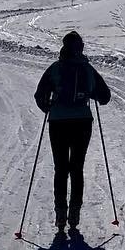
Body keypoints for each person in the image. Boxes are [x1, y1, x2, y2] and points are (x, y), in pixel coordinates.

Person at [34, 31, 111, 238]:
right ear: (81, 48)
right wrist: (89, 94)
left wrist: (48, 106)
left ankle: (60, 213)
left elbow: (39, 95)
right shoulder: (87, 69)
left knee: (61, 168)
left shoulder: (56, 68)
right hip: (82, 122)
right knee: (77, 167)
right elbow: (105, 97)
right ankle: (74, 212)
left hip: (58, 122)